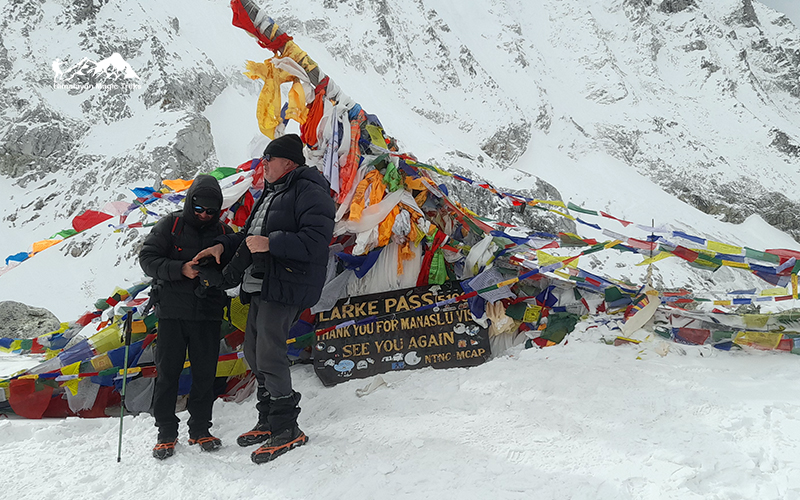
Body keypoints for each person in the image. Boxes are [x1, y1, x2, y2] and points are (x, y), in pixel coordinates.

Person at [192, 133, 335, 464]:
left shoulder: (310, 190)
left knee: (269, 352)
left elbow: (316, 241)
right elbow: (247, 237)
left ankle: (287, 427)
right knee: (254, 352)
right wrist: (222, 246)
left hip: (287, 284)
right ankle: (268, 419)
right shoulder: (272, 193)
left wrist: (272, 244)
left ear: (287, 162)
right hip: (263, 282)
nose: (263, 165)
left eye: (268, 160)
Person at [139, 174, 234, 460]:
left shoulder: (225, 233)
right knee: (168, 374)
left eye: (210, 211)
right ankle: (165, 432)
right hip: (171, 313)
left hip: (208, 314)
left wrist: (213, 275)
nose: (204, 215)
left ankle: (200, 429)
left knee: (205, 375)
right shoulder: (172, 224)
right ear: (190, 201)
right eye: (199, 209)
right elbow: (147, 259)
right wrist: (180, 269)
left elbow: (234, 272)